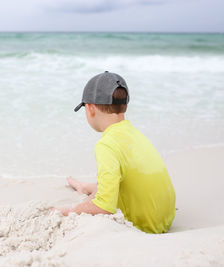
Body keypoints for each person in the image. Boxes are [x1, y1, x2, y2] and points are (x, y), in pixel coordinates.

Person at [56, 71, 176, 234]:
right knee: (111, 184)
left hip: (146, 226)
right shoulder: (134, 134)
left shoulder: (106, 145)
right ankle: (85, 187)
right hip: (165, 218)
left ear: (90, 108)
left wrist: (66, 211)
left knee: (96, 201)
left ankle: (85, 190)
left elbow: (104, 206)